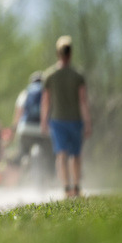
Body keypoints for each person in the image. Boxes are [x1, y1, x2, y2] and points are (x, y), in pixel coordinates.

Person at [41, 35, 92, 198]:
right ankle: (71, 188)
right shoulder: (76, 75)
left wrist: (43, 120)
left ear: (58, 53)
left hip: (62, 120)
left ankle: (71, 188)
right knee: (71, 155)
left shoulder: (50, 75)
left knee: (65, 155)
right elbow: (83, 101)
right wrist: (87, 122)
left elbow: (46, 101)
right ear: (70, 53)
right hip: (67, 121)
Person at [11, 71, 53, 187]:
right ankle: (51, 176)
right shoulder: (47, 93)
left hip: (26, 128)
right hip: (44, 129)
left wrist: (14, 127)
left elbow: (19, 112)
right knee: (51, 153)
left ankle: (24, 162)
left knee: (23, 151)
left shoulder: (25, 93)